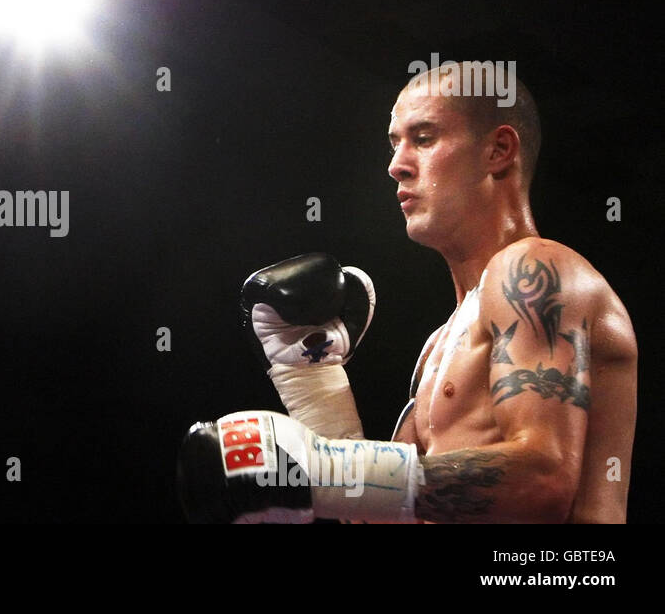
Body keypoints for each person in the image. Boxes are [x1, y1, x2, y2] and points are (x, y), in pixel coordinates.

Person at [178, 62, 637, 523]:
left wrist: (319, 471)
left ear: (497, 151)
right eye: (395, 143)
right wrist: (314, 386)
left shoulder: (536, 269)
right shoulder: (440, 345)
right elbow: (376, 505)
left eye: (423, 138)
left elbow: (544, 482)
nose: (396, 165)